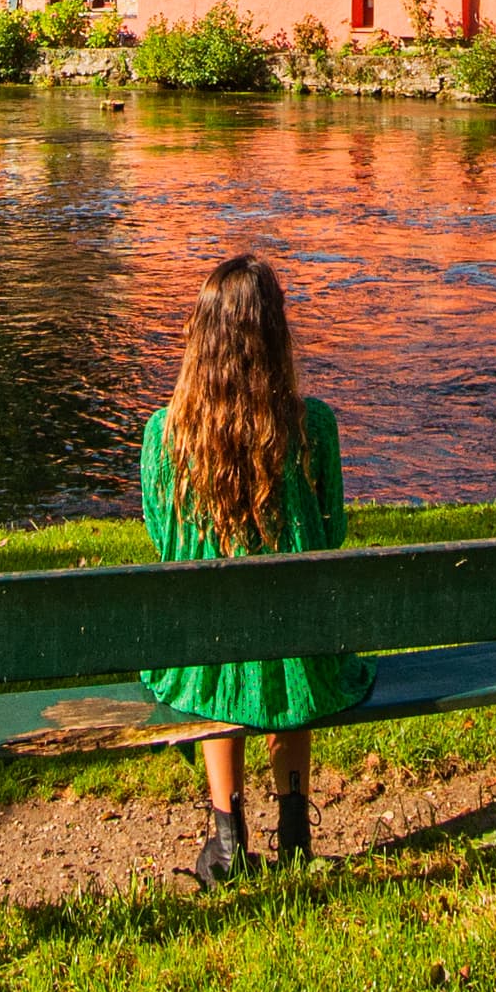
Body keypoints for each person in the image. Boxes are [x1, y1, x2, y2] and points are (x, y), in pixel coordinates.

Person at [137, 254, 370, 882]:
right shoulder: (313, 427)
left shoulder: (164, 436)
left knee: (219, 649)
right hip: (302, 650)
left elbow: (162, 539)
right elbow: (333, 533)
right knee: (288, 649)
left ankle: (226, 837)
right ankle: (294, 829)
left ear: (200, 336)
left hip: (202, 659)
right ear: (275, 335)